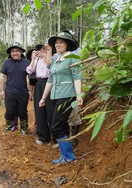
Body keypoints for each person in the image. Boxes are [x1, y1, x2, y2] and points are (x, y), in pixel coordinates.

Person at [39, 31, 83, 164]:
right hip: (55, 96)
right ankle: (65, 156)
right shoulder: (56, 60)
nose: (58, 45)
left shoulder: (72, 57)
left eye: (61, 42)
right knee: (60, 126)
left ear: (67, 44)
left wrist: (79, 95)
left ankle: (69, 156)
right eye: (56, 42)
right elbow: (50, 80)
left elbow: (77, 77)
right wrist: (43, 97)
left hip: (67, 96)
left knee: (56, 126)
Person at [0, 42, 31, 135]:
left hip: (23, 92)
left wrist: (30, 91)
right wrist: (1, 90)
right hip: (10, 92)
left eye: (17, 51)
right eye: (12, 51)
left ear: (21, 52)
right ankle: (8, 128)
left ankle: (24, 129)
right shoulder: (6, 63)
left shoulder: (27, 62)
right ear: (10, 53)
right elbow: (2, 77)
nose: (15, 53)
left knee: (23, 111)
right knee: (9, 111)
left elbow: (29, 78)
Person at [26, 44, 53, 145]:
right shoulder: (36, 60)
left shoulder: (52, 58)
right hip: (38, 84)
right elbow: (28, 70)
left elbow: (50, 68)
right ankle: (43, 137)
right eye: (39, 50)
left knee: (50, 110)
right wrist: (33, 59)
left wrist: (46, 57)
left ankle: (55, 137)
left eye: (43, 50)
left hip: (49, 83)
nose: (41, 52)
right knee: (39, 111)